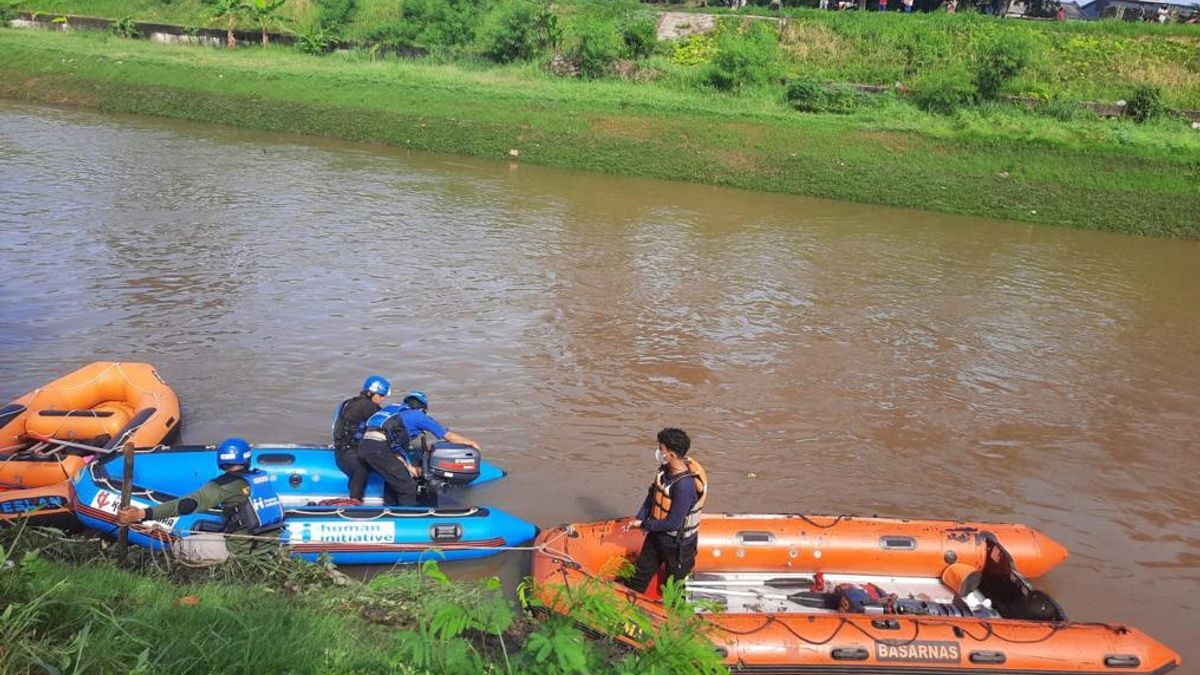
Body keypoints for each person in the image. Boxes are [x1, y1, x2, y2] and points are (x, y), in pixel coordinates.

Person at [116, 438, 284, 558]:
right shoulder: (260, 478)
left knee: (179, 546)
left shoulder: (222, 486)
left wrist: (143, 514)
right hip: (269, 542)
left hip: (242, 549)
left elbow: (187, 504)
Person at [356, 390, 482, 507]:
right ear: (423, 408)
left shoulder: (392, 412)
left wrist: (408, 467)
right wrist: (470, 443)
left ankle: (390, 509)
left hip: (365, 446)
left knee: (394, 481)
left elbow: (393, 446)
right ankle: (407, 520)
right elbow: (447, 435)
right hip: (379, 449)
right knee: (408, 487)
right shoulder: (418, 416)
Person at [622, 428, 708, 594]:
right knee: (639, 576)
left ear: (672, 455)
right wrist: (640, 517)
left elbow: (673, 523)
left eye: (661, 449)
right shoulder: (664, 471)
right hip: (656, 536)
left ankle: (670, 616)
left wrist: (644, 523)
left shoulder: (684, 486)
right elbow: (652, 495)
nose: (658, 452)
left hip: (678, 545)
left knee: (674, 588)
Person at [332, 375, 390, 503]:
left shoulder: (349, 402)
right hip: (349, 451)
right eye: (380, 395)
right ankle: (355, 500)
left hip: (343, 448)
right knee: (361, 469)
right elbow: (387, 423)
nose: (382, 399)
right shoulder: (367, 406)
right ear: (370, 393)